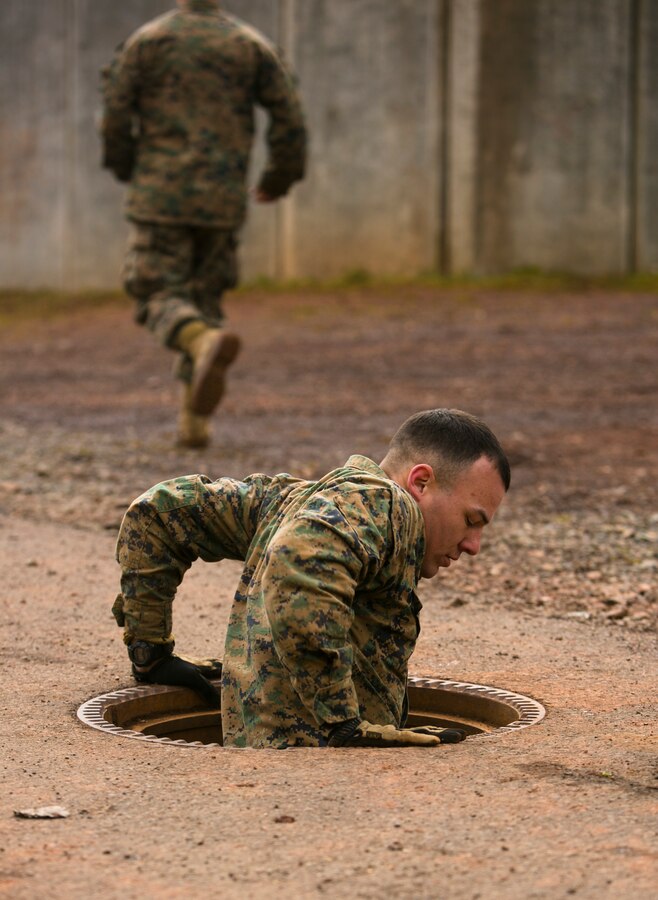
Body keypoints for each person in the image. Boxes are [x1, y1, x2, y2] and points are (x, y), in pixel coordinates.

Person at [112, 408, 511, 749]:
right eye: (471, 521)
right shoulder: (389, 506)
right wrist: (341, 724)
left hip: (263, 776)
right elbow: (300, 561)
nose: (474, 545)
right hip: (318, 783)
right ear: (420, 482)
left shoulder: (293, 501)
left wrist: (150, 650)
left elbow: (162, 512)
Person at [100, 0, 307, 448]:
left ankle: (199, 341)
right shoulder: (250, 45)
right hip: (222, 199)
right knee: (205, 295)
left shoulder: (148, 42)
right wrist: (279, 177)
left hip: (160, 195)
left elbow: (114, 113)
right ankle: (194, 424)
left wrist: (125, 167)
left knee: (157, 291)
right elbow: (289, 114)